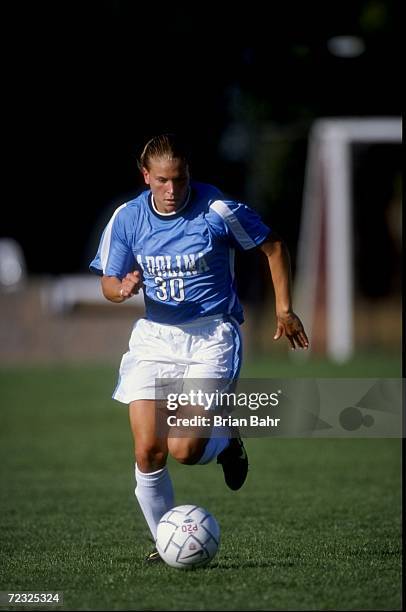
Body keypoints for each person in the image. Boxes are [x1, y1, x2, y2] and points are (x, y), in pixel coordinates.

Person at [89, 133, 309, 562]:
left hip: (211, 337)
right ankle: (165, 543)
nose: (174, 191)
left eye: (181, 180)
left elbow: (274, 246)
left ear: (190, 174)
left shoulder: (216, 210)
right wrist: (123, 289)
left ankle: (225, 440)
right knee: (147, 450)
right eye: (164, 181)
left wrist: (284, 309)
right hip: (155, 338)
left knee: (184, 448)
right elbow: (108, 283)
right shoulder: (128, 218)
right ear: (146, 177)